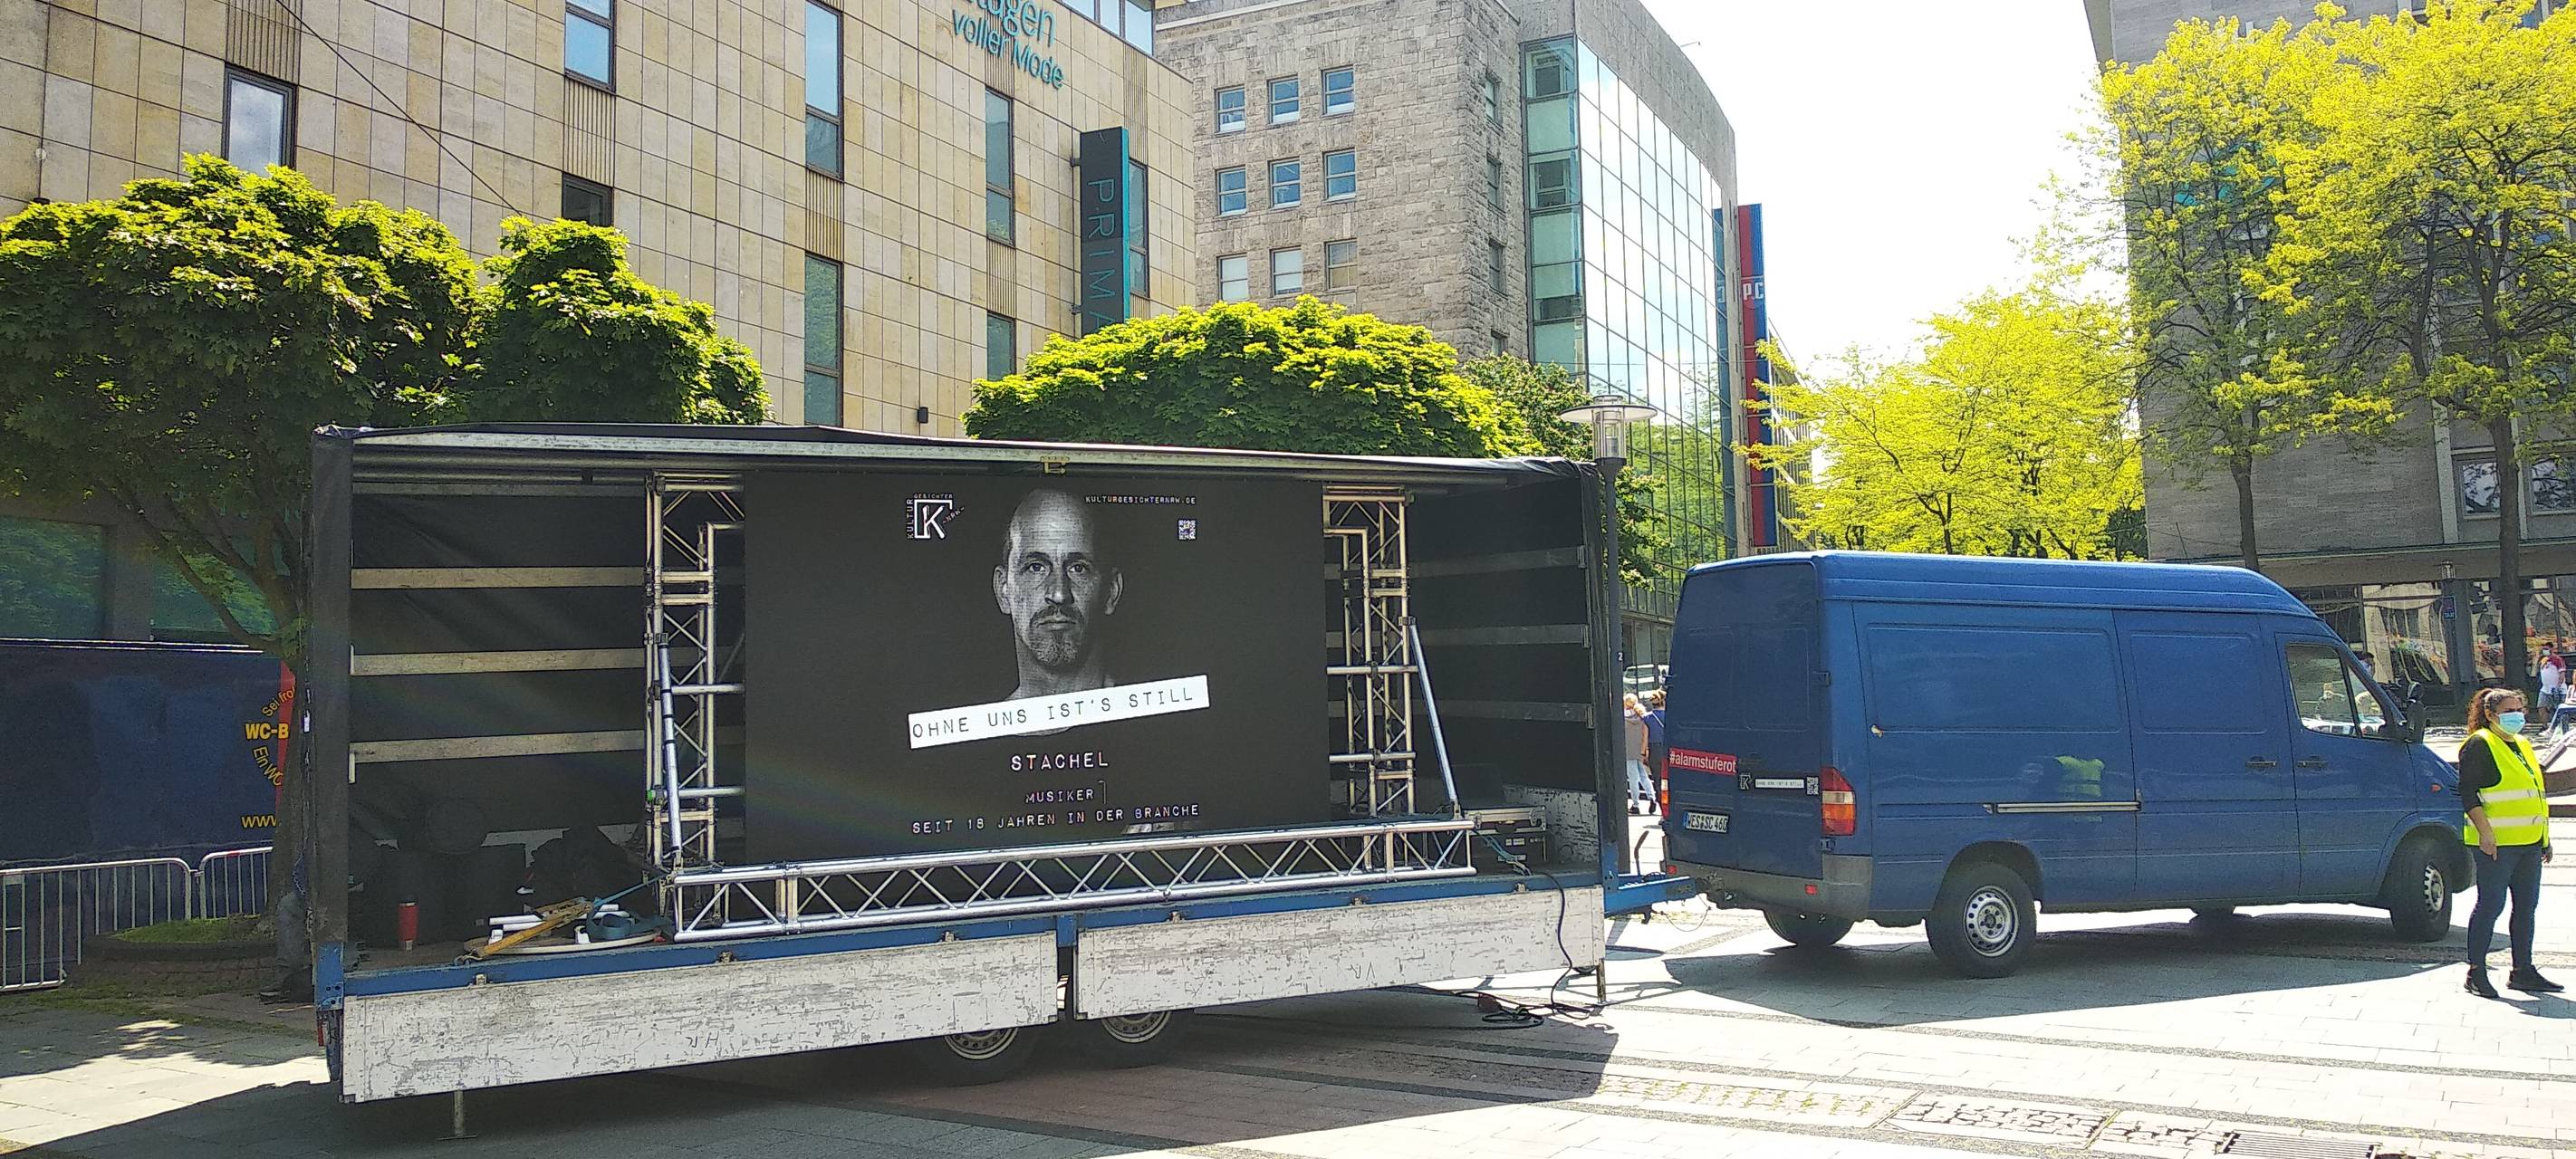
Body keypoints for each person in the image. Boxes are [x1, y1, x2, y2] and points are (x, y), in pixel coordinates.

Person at [2458, 687, 2558, 998]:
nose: (2517, 716)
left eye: (2519, 709)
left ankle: (2522, 970)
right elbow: (2468, 793)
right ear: (2490, 715)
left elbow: (2534, 794)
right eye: (2509, 711)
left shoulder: (2522, 744)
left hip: (2528, 842)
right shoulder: (2480, 744)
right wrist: (2485, 833)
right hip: (2497, 844)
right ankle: (2476, 971)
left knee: (2526, 906)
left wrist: (2544, 839)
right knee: (2491, 905)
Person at [991, 488, 1124, 701]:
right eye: (1035, 567)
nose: (1059, 594)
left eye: (1078, 568)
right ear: (1003, 590)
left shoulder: (1159, 715)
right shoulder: (978, 722)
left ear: (1111, 591)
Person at [1622, 693, 1652, 815]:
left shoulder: (1622, 718)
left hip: (1628, 751)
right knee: (1644, 776)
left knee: (1633, 779)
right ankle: (1652, 798)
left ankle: (1635, 805)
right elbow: (1645, 735)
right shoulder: (1642, 717)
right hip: (1640, 751)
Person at [1642, 689, 1669, 811]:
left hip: (1655, 750)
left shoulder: (1647, 718)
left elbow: (1645, 737)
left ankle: (1662, 809)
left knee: (1658, 780)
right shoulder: (1670, 716)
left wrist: (1644, 753)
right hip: (1669, 749)